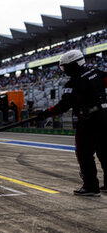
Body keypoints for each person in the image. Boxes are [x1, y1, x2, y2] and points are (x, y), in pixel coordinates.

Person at [39, 49, 107, 197]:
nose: (64, 71)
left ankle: (91, 187)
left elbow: (65, 105)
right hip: (105, 116)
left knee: (84, 153)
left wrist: (45, 113)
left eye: (65, 67)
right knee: (104, 151)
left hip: (89, 120)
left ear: (74, 64)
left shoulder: (75, 82)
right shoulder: (98, 73)